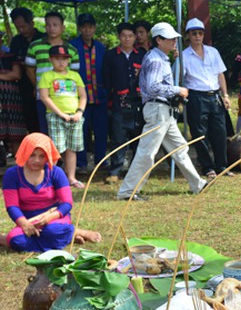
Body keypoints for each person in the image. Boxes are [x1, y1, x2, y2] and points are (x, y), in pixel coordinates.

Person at [116, 22, 207, 201]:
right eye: (170, 38)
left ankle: (197, 184)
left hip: (162, 110)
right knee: (147, 153)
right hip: (158, 109)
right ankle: (127, 192)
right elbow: (153, 86)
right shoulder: (157, 59)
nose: (174, 41)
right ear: (158, 40)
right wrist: (177, 90)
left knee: (180, 148)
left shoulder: (158, 57)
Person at [3, 133, 101, 252]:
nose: (37, 160)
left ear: (48, 156)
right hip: (29, 221)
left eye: (42, 156)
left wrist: (50, 217)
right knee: (16, 239)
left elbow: (67, 203)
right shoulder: (12, 174)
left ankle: (74, 232)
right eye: (32, 155)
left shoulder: (56, 172)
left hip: (54, 219)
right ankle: (66, 237)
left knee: (53, 231)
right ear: (25, 153)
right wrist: (24, 224)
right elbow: (12, 206)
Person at [182, 18, 230, 179]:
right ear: (188, 35)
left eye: (200, 33)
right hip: (196, 96)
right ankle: (207, 166)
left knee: (220, 132)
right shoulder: (184, 56)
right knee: (199, 133)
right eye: (194, 33)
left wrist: (225, 95)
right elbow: (180, 79)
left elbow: (220, 74)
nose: (197, 36)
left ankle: (222, 165)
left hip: (214, 95)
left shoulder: (212, 51)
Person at [37, 45, 86, 189]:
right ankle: (49, 178)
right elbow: (45, 97)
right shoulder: (47, 76)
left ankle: (71, 177)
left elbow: (83, 95)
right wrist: (60, 113)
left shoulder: (75, 75)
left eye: (64, 59)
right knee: (57, 148)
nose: (61, 62)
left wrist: (79, 112)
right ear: (50, 59)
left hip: (74, 116)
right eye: (57, 59)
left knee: (72, 148)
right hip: (55, 116)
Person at [103, 22, 145, 185]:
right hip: (118, 102)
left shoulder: (141, 55)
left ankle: (135, 170)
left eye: (130, 36)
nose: (127, 39)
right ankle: (115, 170)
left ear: (135, 37)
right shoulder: (111, 55)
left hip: (138, 102)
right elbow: (106, 79)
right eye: (123, 36)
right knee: (118, 137)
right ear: (119, 37)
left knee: (138, 136)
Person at [25, 11, 79, 134]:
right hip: (43, 97)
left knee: (66, 134)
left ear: (63, 27)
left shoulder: (71, 50)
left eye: (55, 24)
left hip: (65, 98)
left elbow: (75, 74)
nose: (51, 28)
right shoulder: (35, 46)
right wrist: (38, 86)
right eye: (48, 25)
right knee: (46, 132)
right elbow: (29, 69)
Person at [70, 14, 107, 174]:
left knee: (101, 131)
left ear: (94, 28)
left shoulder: (101, 47)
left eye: (90, 26)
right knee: (82, 131)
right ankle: (82, 163)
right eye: (84, 26)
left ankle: (100, 161)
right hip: (80, 97)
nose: (87, 30)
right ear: (79, 28)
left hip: (100, 95)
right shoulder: (72, 46)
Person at [9, 7, 44, 133]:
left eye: (23, 26)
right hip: (24, 88)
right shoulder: (16, 41)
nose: (21, 30)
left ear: (32, 22)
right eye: (18, 27)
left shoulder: (43, 39)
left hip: (44, 85)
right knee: (31, 122)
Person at [0, 38, 26, 157]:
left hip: (12, 99)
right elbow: (12, 75)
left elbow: (17, 74)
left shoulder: (10, 56)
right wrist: (6, 75)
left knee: (16, 133)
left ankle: (18, 164)